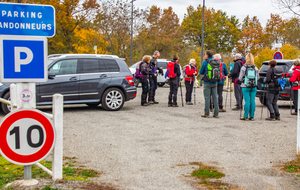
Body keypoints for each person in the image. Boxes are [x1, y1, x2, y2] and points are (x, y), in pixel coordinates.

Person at [238, 53, 258, 120]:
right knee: (252, 100)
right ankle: (252, 116)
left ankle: (245, 115)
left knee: (247, 101)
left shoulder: (244, 67)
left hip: (245, 86)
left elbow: (240, 78)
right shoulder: (255, 68)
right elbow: (258, 77)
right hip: (254, 86)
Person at [199, 50, 219, 118]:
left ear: (207, 55)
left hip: (207, 82)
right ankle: (216, 113)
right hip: (215, 81)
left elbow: (201, 72)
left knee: (207, 98)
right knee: (215, 97)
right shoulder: (216, 61)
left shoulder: (205, 62)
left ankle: (207, 113)